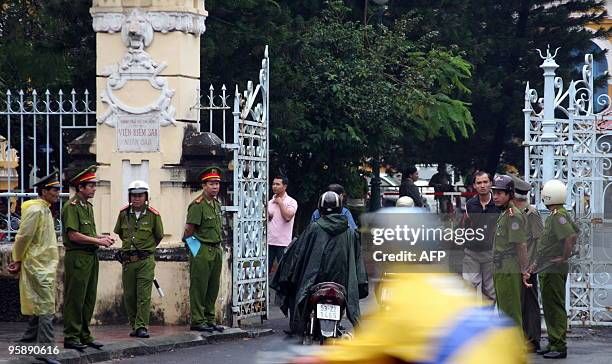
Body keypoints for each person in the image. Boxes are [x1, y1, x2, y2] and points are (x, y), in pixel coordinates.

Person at [271, 191, 368, 336]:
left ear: (320, 208)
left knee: (294, 288)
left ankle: (298, 326)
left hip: (313, 280)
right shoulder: (350, 233)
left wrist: (289, 273)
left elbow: (299, 254)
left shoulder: (314, 228)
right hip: (342, 281)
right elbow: (357, 262)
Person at [8, 172, 62, 364]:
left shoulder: (45, 209)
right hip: (38, 266)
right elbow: (23, 237)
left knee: (41, 305)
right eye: (54, 189)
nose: (58, 193)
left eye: (58, 189)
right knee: (46, 307)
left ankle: (28, 341)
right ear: (43, 191)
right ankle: (46, 351)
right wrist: (18, 259)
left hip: (44, 265)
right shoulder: (36, 210)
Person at [62, 166, 114, 351]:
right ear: (80, 187)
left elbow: (87, 233)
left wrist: (101, 238)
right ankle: (71, 335)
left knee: (88, 298)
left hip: (90, 257)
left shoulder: (87, 207)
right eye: (90, 186)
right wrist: (97, 241)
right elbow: (74, 235)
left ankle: (84, 334)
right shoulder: (71, 207)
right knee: (75, 298)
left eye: (94, 185)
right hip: (77, 257)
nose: (94, 189)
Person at [529, 180, 578, 359]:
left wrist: (564, 256)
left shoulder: (558, 215)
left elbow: (570, 236)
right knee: (549, 306)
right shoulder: (556, 214)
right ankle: (553, 341)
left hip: (553, 268)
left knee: (555, 306)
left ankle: (559, 344)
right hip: (547, 266)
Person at [113, 180, 164, 339]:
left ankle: (141, 326)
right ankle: (134, 324)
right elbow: (121, 234)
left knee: (143, 295)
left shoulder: (153, 215)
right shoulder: (123, 214)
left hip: (145, 261)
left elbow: (158, 236)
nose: (137, 198)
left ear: (146, 196)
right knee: (129, 296)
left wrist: (146, 249)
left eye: (140, 195)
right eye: (134, 195)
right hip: (128, 262)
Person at [184, 166, 225, 333]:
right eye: (211, 183)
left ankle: (209, 319)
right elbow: (188, 231)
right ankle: (198, 320)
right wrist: (197, 251)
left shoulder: (216, 204)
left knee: (212, 287)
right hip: (202, 250)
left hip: (216, 249)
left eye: (217, 183)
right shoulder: (197, 205)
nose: (215, 186)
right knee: (199, 287)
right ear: (204, 185)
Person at [491, 175, 530, 327]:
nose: (495, 196)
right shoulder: (505, 213)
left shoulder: (513, 216)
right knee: (503, 310)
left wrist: (524, 271)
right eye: (494, 193)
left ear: (510, 194)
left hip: (508, 268)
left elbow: (520, 245)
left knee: (510, 312)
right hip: (501, 267)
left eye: (500, 193)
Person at [512, 176, 544, 352]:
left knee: (530, 305)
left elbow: (540, 241)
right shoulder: (514, 213)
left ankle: (533, 340)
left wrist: (534, 264)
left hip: (529, 266)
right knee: (520, 304)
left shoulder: (531, 213)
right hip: (515, 266)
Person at [461, 171, 500, 302]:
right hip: (471, 253)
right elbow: (463, 226)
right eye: (479, 183)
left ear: (490, 184)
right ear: (474, 186)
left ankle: (487, 320)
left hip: (491, 253)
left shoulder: (498, 204)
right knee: (468, 287)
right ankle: (471, 320)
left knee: (489, 291)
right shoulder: (469, 205)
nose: (482, 185)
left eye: (485, 182)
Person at [267, 175, 298, 273]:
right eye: (273, 184)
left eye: (277, 184)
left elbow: (288, 217)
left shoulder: (291, 202)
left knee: (283, 273)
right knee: (265, 272)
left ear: (284, 186)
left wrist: (280, 203)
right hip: (269, 242)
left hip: (283, 243)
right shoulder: (270, 202)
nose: (274, 186)